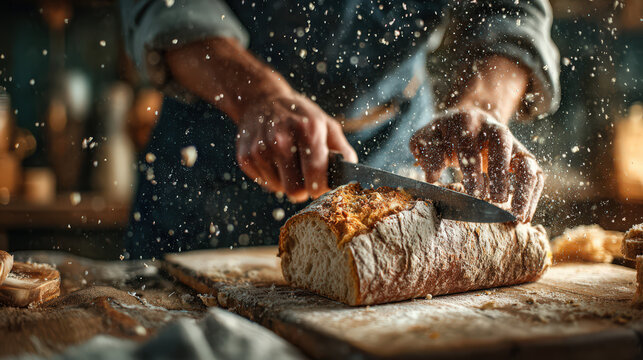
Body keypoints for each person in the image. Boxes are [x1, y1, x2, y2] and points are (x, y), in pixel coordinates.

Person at [119, 0, 560, 259]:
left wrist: (484, 107)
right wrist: (256, 96)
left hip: (399, 142)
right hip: (217, 140)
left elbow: (511, 8)